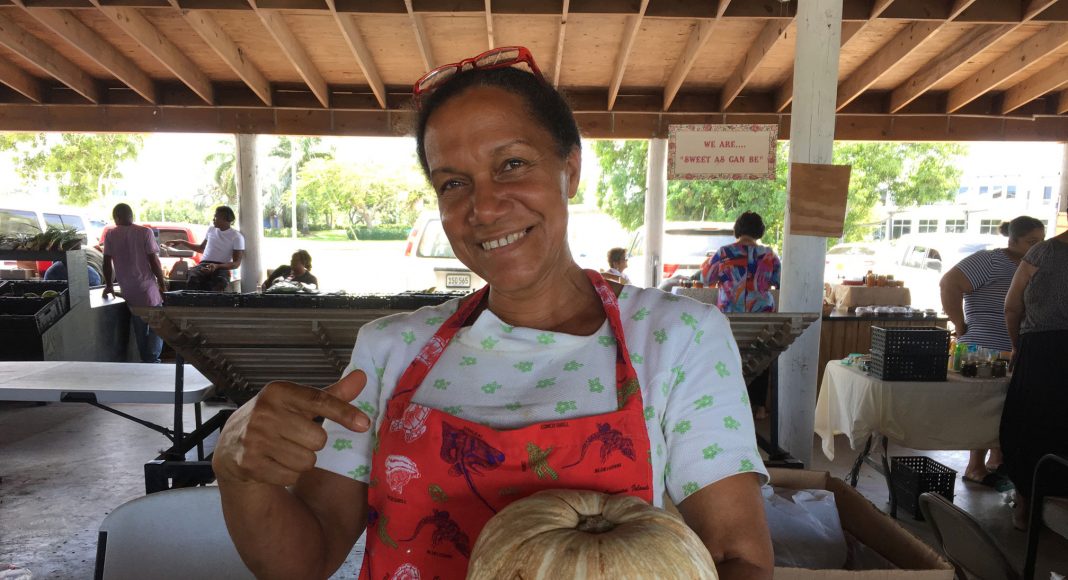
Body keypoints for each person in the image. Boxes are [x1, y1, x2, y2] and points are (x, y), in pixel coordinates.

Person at [212, 47, 773, 579]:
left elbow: (737, 557)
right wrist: (236, 473)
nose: (482, 207)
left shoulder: (677, 338)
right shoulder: (389, 350)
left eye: (511, 164)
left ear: (570, 170)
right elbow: (302, 562)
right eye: (453, 183)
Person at [940, 215, 1045, 490]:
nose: (1036, 247)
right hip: (983, 348)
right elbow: (948, 283)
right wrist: (959, 323)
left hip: (1015, 348)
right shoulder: (988, 261)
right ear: (1012, 239)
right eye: (1031, 242)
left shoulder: (1033, 264)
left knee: (1006, 408)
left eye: (1040, 242)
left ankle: (996, 462)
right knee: (985, 408)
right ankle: (976, 466)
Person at [1000, 211, 1068, 530]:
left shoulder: (1043, 251)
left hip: (1040, 351)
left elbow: (1012, 306)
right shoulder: (1043, 250)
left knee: (1030, 427)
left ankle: (1025, 506)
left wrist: (1017, 345)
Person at [699, 211, 781, 420]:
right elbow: (780, 281)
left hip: (730, 320)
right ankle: (760, 407)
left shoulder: (724, 253)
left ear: (738, 229)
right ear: (759, 231)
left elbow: (705, 277)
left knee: (726, 355)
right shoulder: (769, 255)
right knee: (762, 354)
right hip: (761, 320)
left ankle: (727, 404)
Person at [100, 203, 167, 364]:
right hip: (147, 288)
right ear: (131, 216)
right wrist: (162, 283)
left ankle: (147, 360)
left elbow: (106, 262)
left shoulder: (110, 235)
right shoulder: (145, 232)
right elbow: (154, 261)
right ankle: (152, 359)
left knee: (139, 326)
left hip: (128, 290)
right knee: (158, 325)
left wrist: (108, 285)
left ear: (117, 217)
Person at [165, 206, 244, 292]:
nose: (213, 219)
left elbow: (236, 264)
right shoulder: (211, 230)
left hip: (221, 267)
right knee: (193, 278)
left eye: (216, 217)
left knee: (219, 282)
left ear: (225, 218)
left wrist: (217, 266)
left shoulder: (237, 237)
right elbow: (201, 249)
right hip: (204, 265)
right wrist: (181, 242)